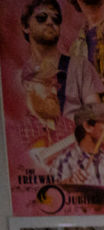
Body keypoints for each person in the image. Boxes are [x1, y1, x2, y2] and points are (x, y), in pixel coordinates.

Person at [16, 0, 66, 151]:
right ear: (26, 27)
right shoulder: (20, 129)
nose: (50, 22)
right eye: (41, 17)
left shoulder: (75, 67)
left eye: (55, 19)